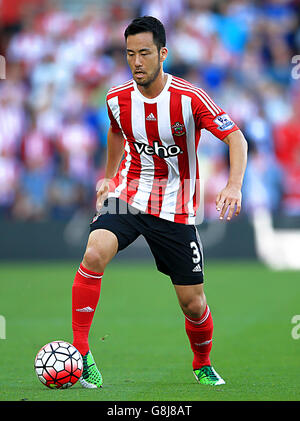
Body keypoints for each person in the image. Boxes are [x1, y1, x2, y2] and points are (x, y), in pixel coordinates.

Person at [71, 16, 248, 388]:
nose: (137, 62)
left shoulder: (189, 98)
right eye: (130, 54)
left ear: (163, 54)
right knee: (93, 253)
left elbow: (237, 140)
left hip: (177, 206)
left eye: (145, 53)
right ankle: (81, 352)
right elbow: (116, 132)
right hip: (129, 195)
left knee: (193, 304)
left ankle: (202, 362)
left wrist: (233, 185)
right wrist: (107, 175)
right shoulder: (116, 98)